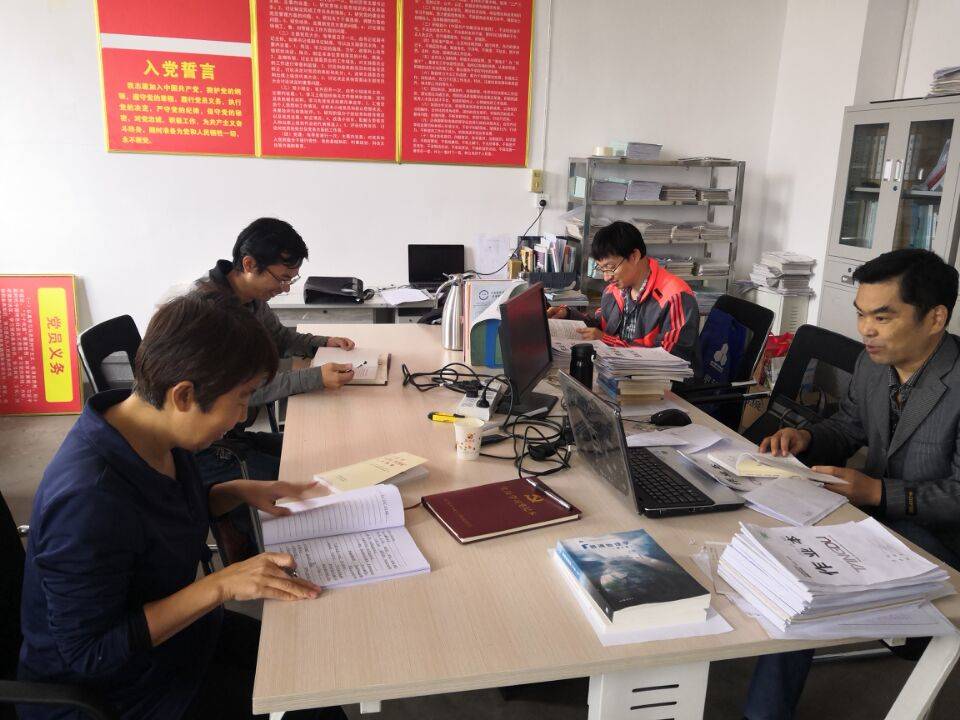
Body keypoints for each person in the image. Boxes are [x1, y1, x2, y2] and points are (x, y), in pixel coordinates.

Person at [18, 292, 344, 720]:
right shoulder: (89, 500)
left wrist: (235, 490)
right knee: (307, 706)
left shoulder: (155, 432)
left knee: (314, 670)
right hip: (122, 694)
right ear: (184, 395)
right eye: (242, 398)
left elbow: (154, 517)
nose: (242, 416)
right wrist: (221, 586)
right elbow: (89, 652)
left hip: (179, 638)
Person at [744, 248, 960, 720]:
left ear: (935, 318)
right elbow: (848, 428)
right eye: (861, 314)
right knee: (780, 551)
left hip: (943, 542)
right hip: (879, 520)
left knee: (807, 580)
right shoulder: (873, 364)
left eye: (882, 317)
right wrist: (805, 437)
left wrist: (878, 493)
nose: (865, 330)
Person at [193, 218, 356, 510]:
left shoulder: (249, 296)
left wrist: (322, 342)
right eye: (281, 279)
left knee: (324, 455)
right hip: (201, 449)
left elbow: (279, 337)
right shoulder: (209, 313)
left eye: (291, 280)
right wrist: (315, 378)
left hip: (230, 433)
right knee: (310, 481)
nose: (285, 288)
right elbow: (239, 393)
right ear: (249, 264)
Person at [547, 221, 701, 374]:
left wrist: (607, 341)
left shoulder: (676, 296)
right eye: (602, 269)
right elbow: (601, 327)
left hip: (659, 384)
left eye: (610, 267)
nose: (606, 277)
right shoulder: (613, 291)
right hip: (617, 375)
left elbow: (671, 359)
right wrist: (568, 315)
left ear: (634, 256)